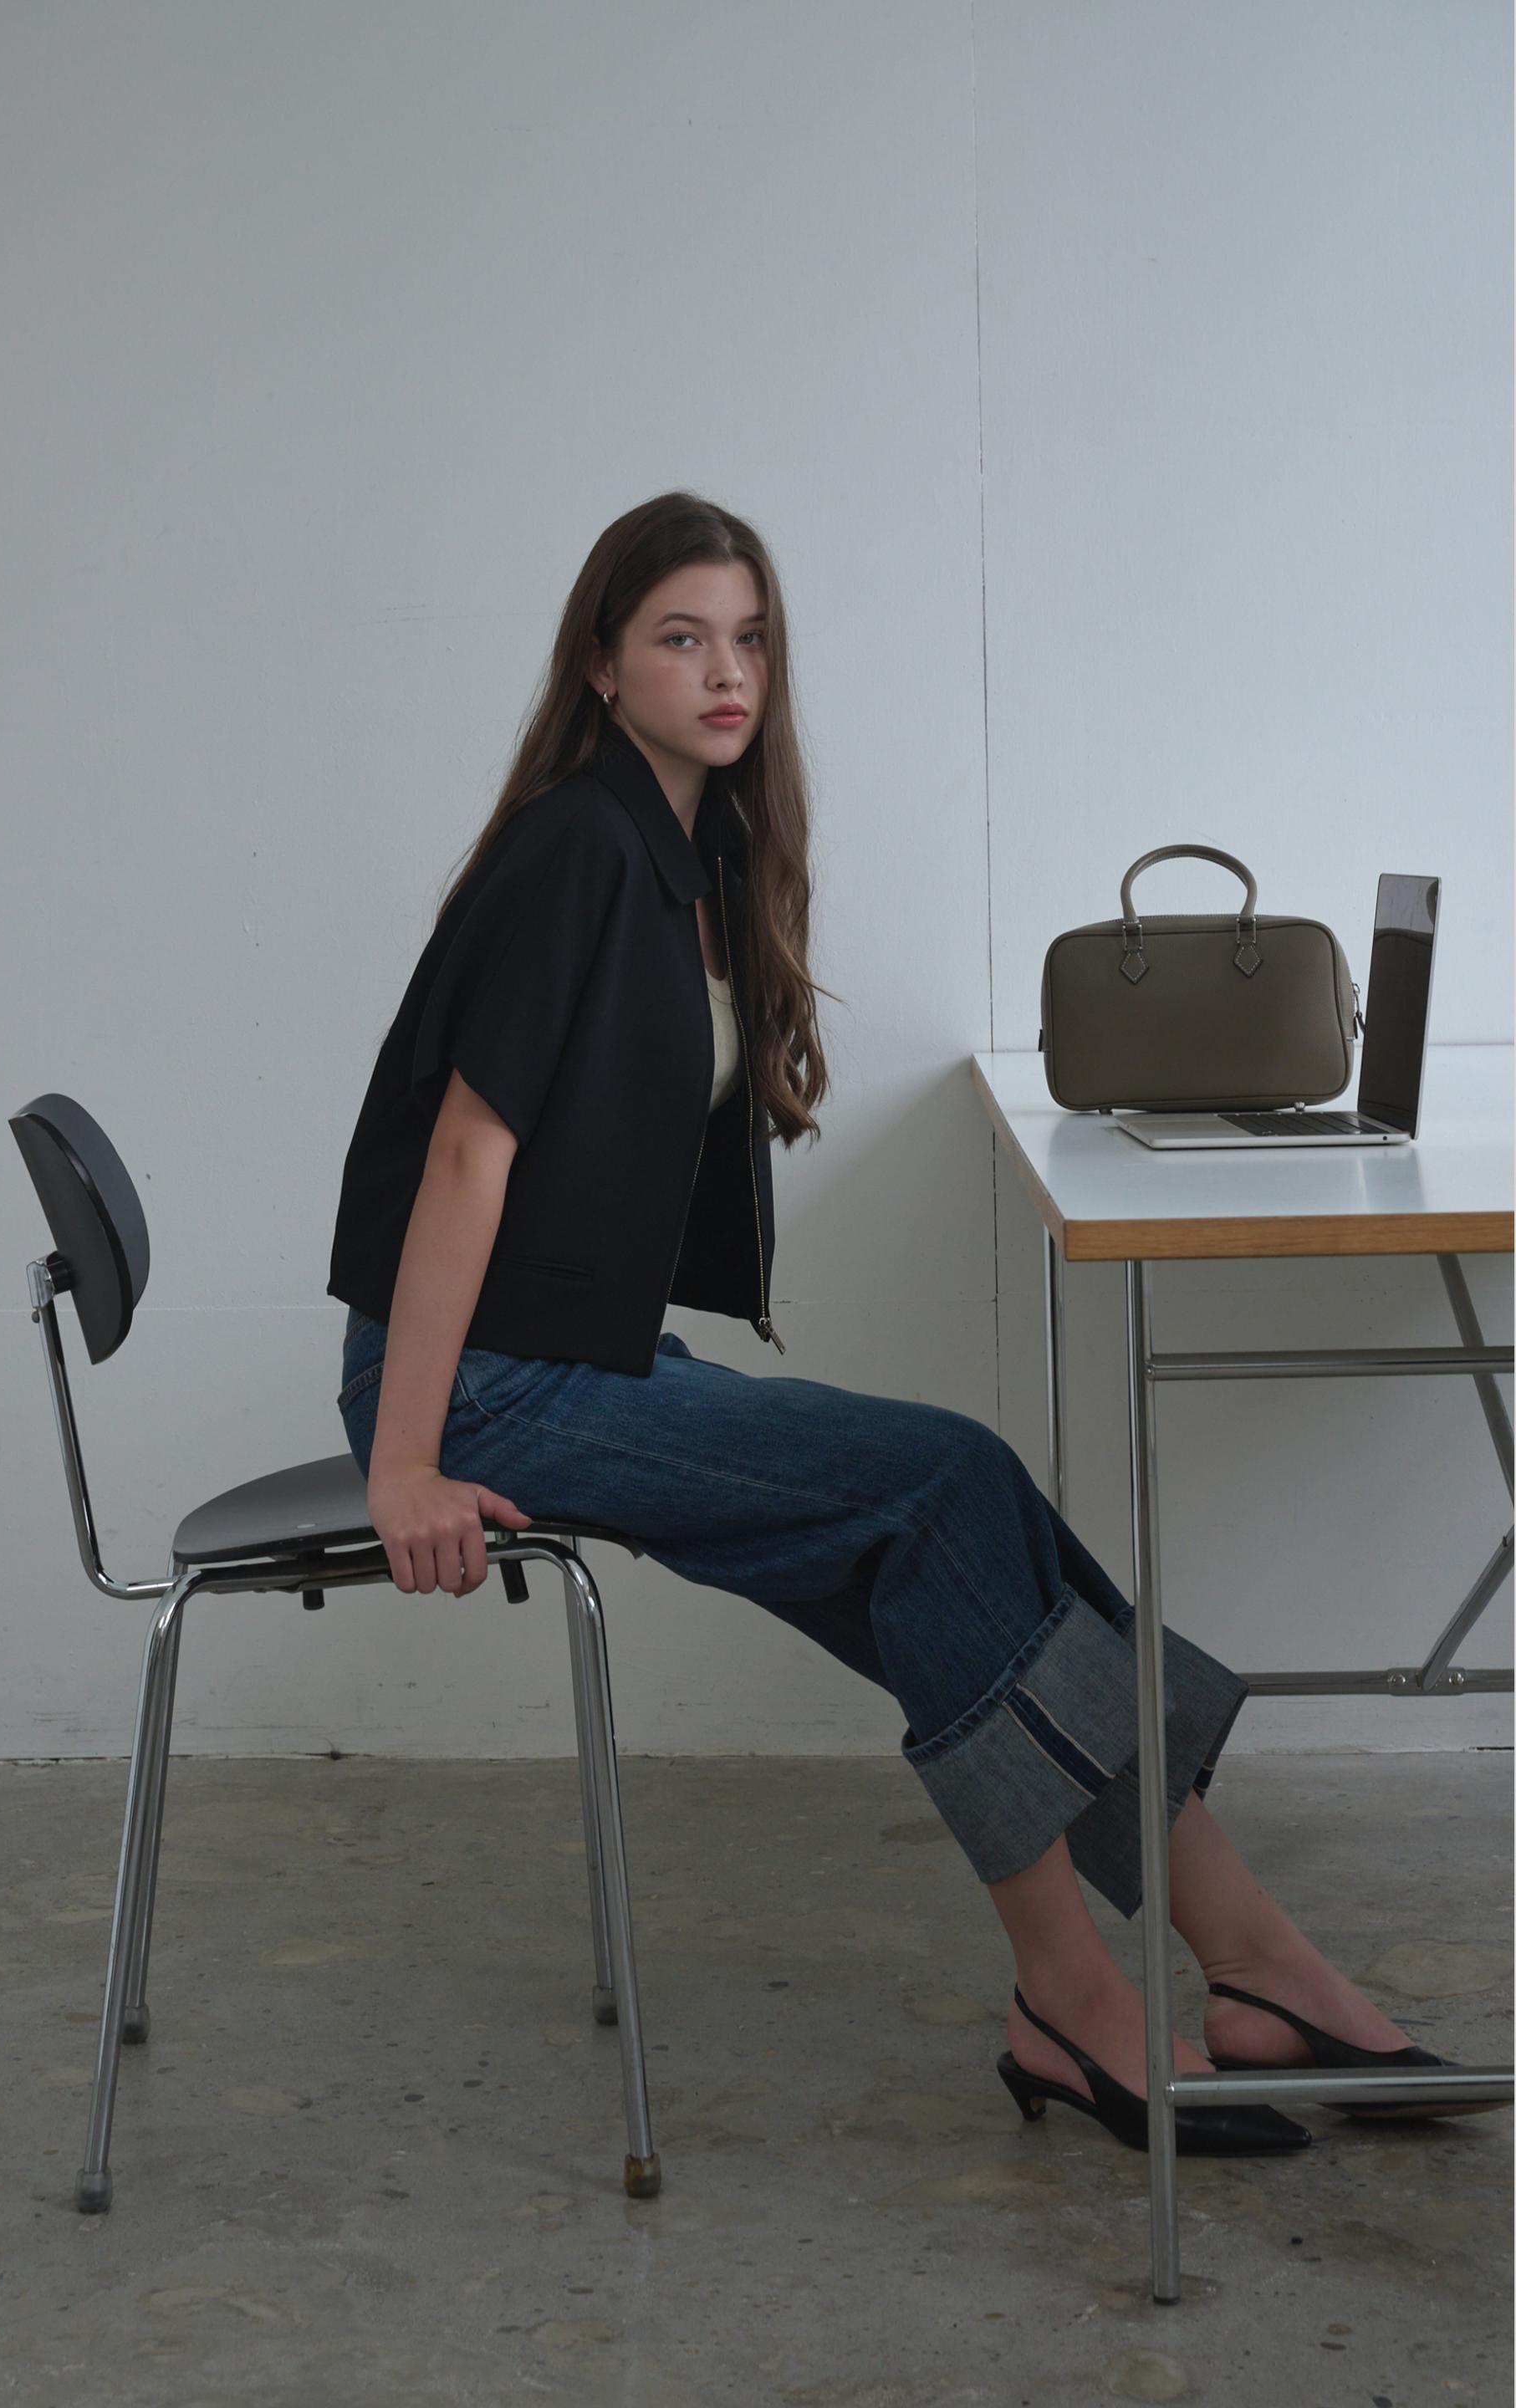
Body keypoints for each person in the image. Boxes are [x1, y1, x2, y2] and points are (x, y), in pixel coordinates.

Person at [327, 490, 1489, 2155]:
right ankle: (1125, 1991)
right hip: (480, 1388)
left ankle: (1236, 1967)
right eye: (681, 638)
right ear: (600, 663)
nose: (727, 673)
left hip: (571, 1360)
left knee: (961, 1525)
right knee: (944, 1488)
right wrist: (403, 1460)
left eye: (750, 639)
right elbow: (464, 1155)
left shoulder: (689, 856)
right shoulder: (576, 849)